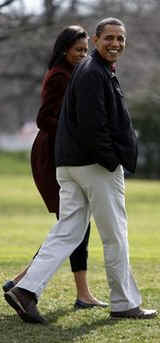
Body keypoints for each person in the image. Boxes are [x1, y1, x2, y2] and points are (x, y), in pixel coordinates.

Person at [4, 17, 157, 324]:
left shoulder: (91, 70)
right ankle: (124, 302)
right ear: (97, 40)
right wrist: (112, 159)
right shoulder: (92, 73)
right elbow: (93, 125)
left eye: (121, 39)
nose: (116, 43)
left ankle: (25, 290)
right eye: (109, 38)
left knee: (68, 231)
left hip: (72, 163)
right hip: (95, 166)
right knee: (115, 234)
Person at [3, 25, 107, 310]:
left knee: (72, 225)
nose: (83, 54)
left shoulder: (76, 74)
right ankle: (70, 292)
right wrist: (73, 134)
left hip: (65, 153)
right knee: (73, 225)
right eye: (78, 50)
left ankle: (21, 281)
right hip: (52, 157)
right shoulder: (59, 76)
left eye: (86, 50)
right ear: (64, 50)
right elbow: (44, 118)